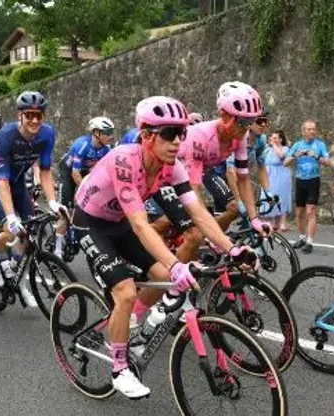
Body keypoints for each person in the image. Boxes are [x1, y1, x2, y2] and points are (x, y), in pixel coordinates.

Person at [73, 95, 253, 399]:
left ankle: (133, 323)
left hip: (119, 222)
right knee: (126, 291)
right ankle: (119, 369)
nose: (177, 141)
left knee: (164, 279)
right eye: (169, 134)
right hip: (91, 222)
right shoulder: (125, 161)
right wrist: (176, 263)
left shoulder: (173, 167)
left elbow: (198, 213)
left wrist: (231, 248)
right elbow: (142, 225)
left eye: (181, 133)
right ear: (146, 135)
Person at [148, 81, 271, 263]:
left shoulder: (240, 137)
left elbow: (243, 178)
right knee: (194, 234)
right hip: (160, 176)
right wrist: (211, 233)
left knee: (199, 226)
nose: (246, 128)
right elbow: (193, 190)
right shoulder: (200, 137)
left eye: (250, 122)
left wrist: (254, 219)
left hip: (185, 175)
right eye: (243, 122)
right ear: (224, 115)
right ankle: (167, 279)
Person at [0, 91, 66, 307]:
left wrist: (53, 202)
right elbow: (2, 181)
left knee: (29, 233)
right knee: (12, 230)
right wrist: (10, 216)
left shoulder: (47, 134)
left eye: (39, 115)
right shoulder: (7, 135)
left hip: (18, 184)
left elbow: (46, 172)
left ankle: (17, 277)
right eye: (29, 115)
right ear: (20, 115)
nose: (35, 120)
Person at [55, 116, 115, 257]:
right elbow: (75, 174)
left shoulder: (106, 149)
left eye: (111, 132)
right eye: (107, 132)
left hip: (85, 171)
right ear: (96, 133)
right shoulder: (81, 145)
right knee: (66, 211)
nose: (110, 136)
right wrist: (86, 191)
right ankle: (57, 250)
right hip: (68, 172)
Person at [284, 120, 334, 253]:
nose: (312, 131)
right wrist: (296, 155)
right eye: (309, 129)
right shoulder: (297, 145)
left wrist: (316, 156)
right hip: (300, 181)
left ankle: (310, 242)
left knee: (310, 211)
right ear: (303, 131)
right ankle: (301, 238)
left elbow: (328, 163)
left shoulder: (320, 145)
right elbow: (285, 162)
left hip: (313, 181)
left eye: (314, 129)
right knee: (299, 213)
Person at [225, 108, 271, 223]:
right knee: (235, 207)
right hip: (220, 172)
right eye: (260, 122)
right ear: (250, 124)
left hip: (237, 175)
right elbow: (230, 172)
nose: (264, 125)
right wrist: (239, 200)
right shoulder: (239, 138)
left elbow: (261, 167)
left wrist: (268, 192)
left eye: (266, 121)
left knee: (250, 215)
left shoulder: (261, 140)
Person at [263, 130, 292, 231]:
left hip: (281, 175)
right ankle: (273, 222)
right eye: (272, 138)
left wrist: (274, 145)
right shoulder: (267, 149)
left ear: (280, 139)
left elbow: (281, 156)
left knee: (281, 197)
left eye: (275, 138)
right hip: (269, 175)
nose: (272, 140)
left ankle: (282, 222)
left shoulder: (285, 148)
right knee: (270, 197)